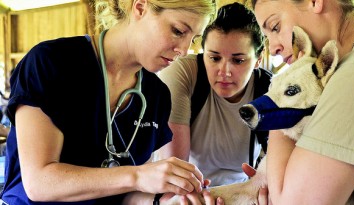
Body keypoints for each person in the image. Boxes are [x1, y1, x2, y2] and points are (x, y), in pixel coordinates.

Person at [0, 0, 220, 204]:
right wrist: (138, 175)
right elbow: (39, 183)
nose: (184, 50)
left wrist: (166, 200)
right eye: (178, 31)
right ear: (141, 7)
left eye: (193, 39)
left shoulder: (156, 94)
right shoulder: (50, 63)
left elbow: (127, 196)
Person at [251, 0, 354, 204]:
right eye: (266, 36)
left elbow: (293, 203)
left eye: (275, 27)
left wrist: (283, 93)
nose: (273, 48)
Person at [157, 2, 271, 187]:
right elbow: (176, 176)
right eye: (214, 58)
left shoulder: (270, 90)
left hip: (242, 192)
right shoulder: (184, 73)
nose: (224, 71)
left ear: (258, 59)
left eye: (238, 60)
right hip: (185, 191)